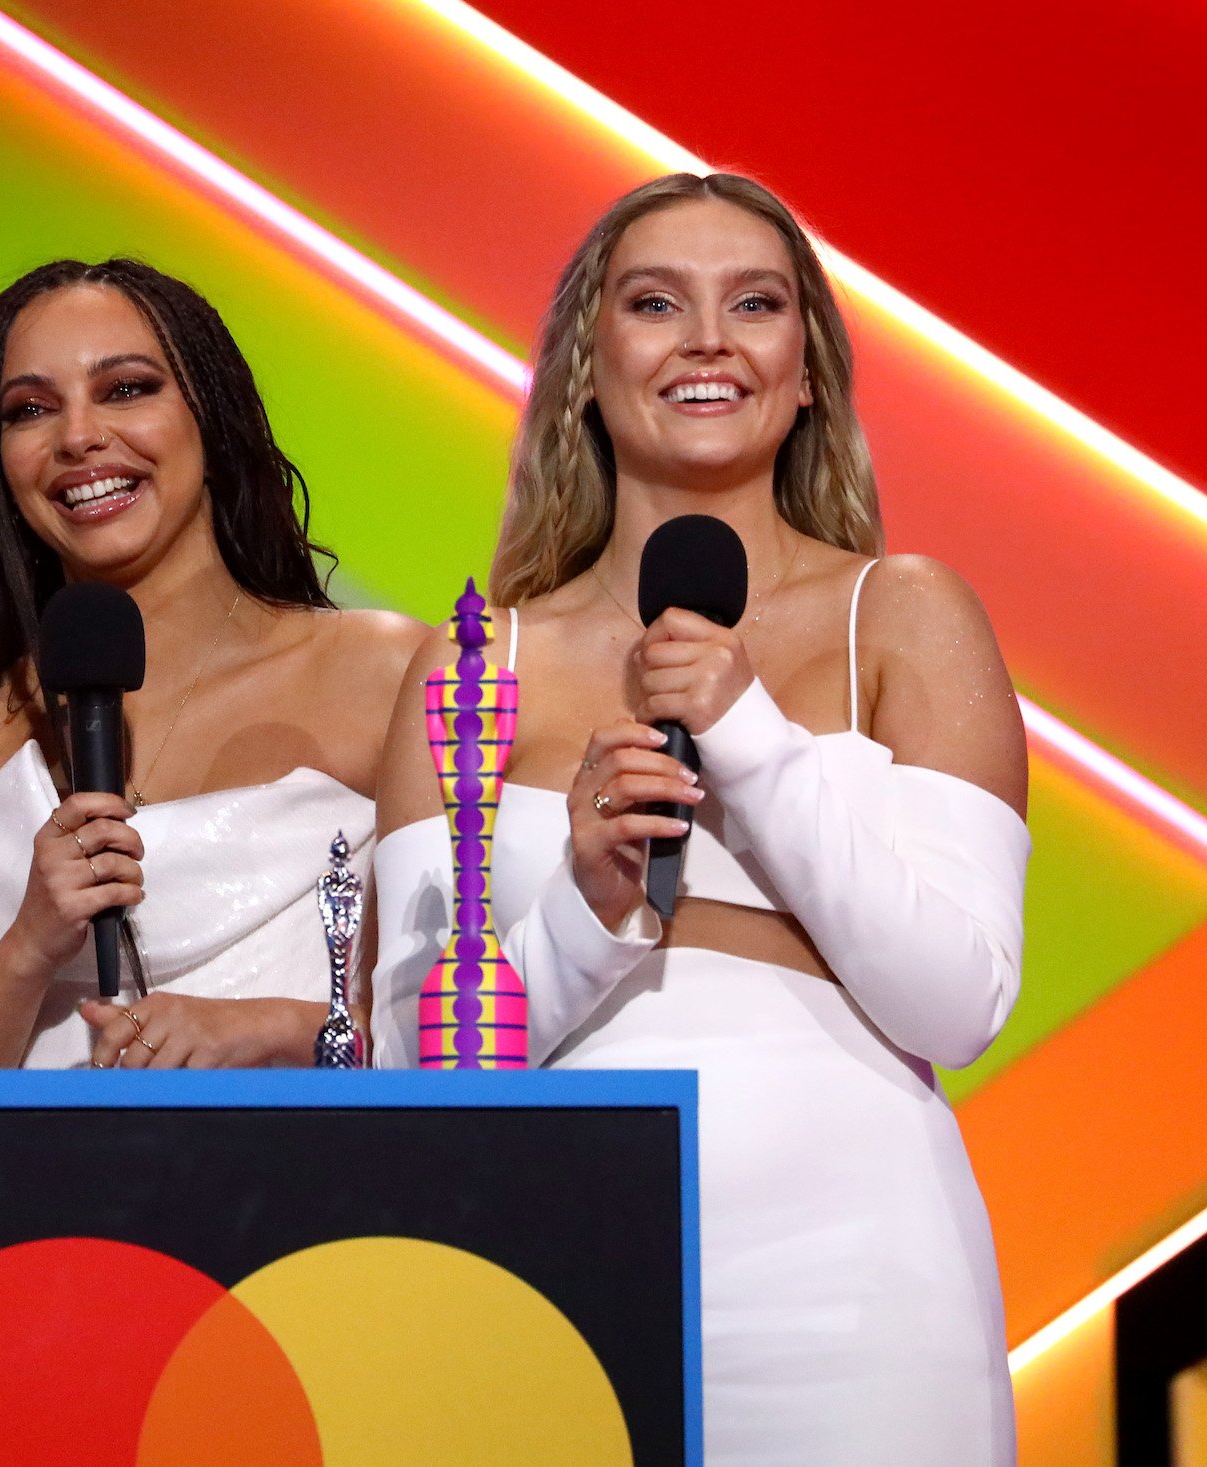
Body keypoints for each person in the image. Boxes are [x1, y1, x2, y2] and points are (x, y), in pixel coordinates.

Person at [371, 174, 1027, 1462]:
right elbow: (408, 1068)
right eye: (656, 303)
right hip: (544, 1281)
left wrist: (751, 739)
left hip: (861, 1290)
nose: (709, 340)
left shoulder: (904, 615)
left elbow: (958, 1003)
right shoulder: (473, 665)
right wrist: (584, 907)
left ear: (808, 373)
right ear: (585, 365)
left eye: (756, 304)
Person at [0, 258, 423, 1069]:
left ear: (211, 416)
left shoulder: (389, 674)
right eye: (30, 409)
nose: (78, 436)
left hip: (307, 1149)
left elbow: (465, 1033)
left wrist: (269, 1027)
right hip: (24, 1156)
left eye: (125, 389)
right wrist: (26, 950)